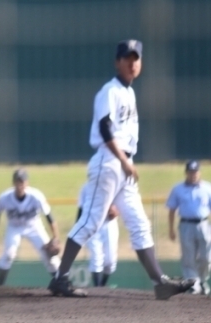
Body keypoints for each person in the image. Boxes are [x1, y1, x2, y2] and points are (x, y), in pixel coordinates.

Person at [47, 39, 195, 299]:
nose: (132, 63)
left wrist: (127, 163)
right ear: (117, 62)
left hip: (124, 164)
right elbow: (105, 128)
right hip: (110, 161)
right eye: (127, 58)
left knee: (139, 223)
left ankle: (160, 282)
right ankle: (60, 278)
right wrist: (124, 162)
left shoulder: (129, 93)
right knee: (90, 222)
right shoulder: (110, 91)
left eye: (136, 58)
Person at [0, 169, 61, 286]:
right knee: (9, 254)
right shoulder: (4, 197)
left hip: (34, 226)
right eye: (17, 181)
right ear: (13, 183)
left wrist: (56, 238)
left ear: (27, 182)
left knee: (49, 256)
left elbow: (49, 217)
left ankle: (62, 282)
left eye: (22, 181)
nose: (20, 185)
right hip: (14, 227)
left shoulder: (36, 196)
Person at [166, 160, 211, 295]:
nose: (193, 175)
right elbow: (172, 210)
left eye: (195, 172)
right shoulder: (178, 189)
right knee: (188, 257)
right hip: (186, 225)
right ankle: (193, 284)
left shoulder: (207, 188)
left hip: (204, 224)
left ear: (199, 173)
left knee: (206, 257)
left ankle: (202, 280)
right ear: (186, 173)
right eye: (191, 172)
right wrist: (171, 229)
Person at [77, 183, 119, 287]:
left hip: (108, 224)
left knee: (110, 261)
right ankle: (98, 288)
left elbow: (120, 206)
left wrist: (115, 210)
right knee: (96, 258)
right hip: (92, 224)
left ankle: (102, 285)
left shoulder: (113, 185)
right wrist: (78, 230)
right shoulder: (86, 187)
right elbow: (81, 209)